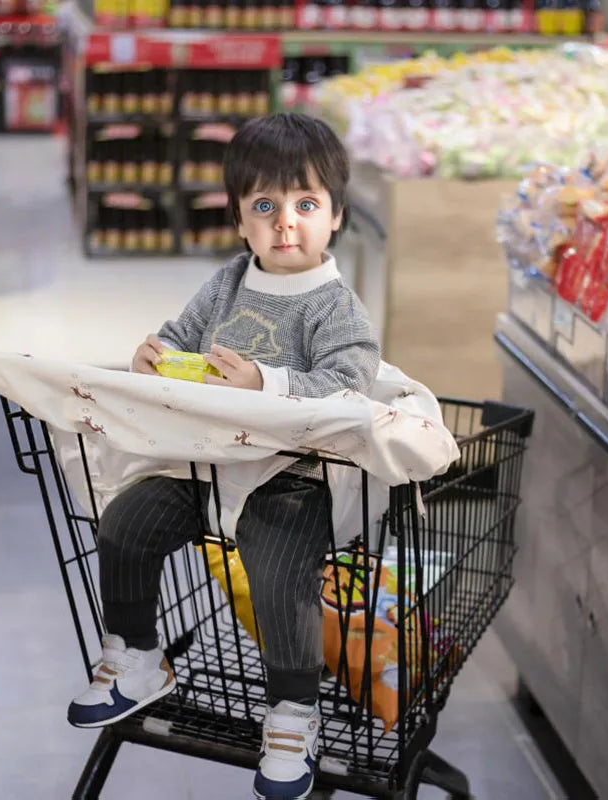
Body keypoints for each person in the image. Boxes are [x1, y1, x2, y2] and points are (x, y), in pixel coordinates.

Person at [67, 112, 381, 800]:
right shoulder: (228, 284)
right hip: (202, 465)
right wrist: (152, 354)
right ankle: (139, 656)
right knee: (125, 524)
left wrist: (264, 382)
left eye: (306, 205)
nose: (285, 223)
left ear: (336, 217)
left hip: (291, 477)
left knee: (277, 575)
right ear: (240, 219)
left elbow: (348, 385)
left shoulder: (337, 309)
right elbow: (180, 335)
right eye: (264, 206)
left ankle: (295, 710)